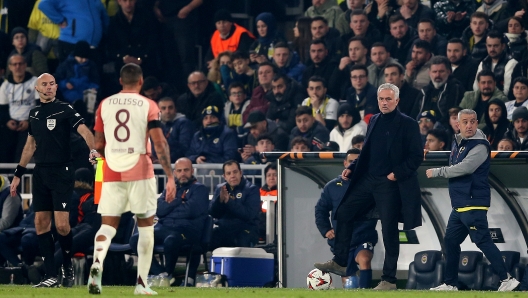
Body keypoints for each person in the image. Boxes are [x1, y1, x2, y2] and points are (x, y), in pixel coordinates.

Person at [314, 83, 423, 290]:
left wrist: (396, 174)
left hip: (389, 183)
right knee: (344, 211)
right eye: (381, 99)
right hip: (369, 179)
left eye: (388, 99)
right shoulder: (374, 120)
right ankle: (340, 260)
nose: (384, 102)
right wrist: (353, 167)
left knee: (389, 231)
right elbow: (367, 153)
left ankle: (389, 280)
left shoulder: (408, 124)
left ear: (397, 101)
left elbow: (416, 156)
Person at [88, 63, 176, 295]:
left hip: (112, 169)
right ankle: (141, 284)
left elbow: (98, 145)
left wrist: (104, 159)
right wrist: (169, 176)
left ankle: (97, 266)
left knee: (107, 225)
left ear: (120, 81)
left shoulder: (104, 105)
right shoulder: (148, 105)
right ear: (140, 81)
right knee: (146, 227)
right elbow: (159, 142)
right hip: (139, 168)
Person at [9, 72, 99, 288]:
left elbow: (84, 129)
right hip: (40, 173)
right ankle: (50, 275)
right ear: (37, 89)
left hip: (62, 172)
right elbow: (30, 145)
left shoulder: (65, 109)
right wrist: (18, 174)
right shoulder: (34, 114)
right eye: (44, 84)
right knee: (40, 224)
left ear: (56, 87)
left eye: (52, 84)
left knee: (62, 225)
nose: (49, 87)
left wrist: (93, 148)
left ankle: (66, 265)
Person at [427, 109, 521, 292]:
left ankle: (507, 279)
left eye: (472, 122)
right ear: (458, 124)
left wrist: (438, 172)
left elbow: (465, 168)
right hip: (460, 204)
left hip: (473, 202)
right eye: (465, 122)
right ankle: (450, 283)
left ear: (477, 123)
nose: (469, 125)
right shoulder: (458, 141)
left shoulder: (479, 145)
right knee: (451, 242)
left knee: (483, 240)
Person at [129, 158, 209, 287]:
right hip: (164, 227)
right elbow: (159, 210)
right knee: (136, 239)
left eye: (186, 170)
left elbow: (191, 211)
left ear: (192, 171)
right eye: (179, 170)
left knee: (171, 240)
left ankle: (168, 273)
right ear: (175, 173)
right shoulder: (169, 189)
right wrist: (180, 201)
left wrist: (171, 203)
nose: (183, 173)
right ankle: (162, 274)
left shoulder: (200, 189)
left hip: (186, 230)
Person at [315, 148, 378, 288]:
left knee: (364, 259)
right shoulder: (332, 186)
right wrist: (325, 229)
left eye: (357, 162)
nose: (352, 165)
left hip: (363, 236)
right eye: (350, 161)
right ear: (345, 163)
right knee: (349, 281)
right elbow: (321, 209)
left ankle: (365, 293)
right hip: (342, 241)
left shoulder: (371, 185)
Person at [209, 160, 261, 249]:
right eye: (228, 173)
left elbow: (249, 214)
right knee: (208, 238)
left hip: (246, 228)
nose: (232, 176)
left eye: (235, 172)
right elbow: (213, 213)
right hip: (224, 228)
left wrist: (229, 201)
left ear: (240, 173)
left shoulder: (252, 189)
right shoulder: (220, 188)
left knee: (241, 239)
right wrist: (220, 201)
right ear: (224, 176)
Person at [38, 0, 109, 61]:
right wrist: (60, 20)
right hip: (71, 44)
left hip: (94, 47)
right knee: (70, 75)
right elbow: (44, 5)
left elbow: (104, 18)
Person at [0, 54, 39, 163]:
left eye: (20, 64)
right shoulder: (5, 86)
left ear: (25, 65)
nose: (17, 67)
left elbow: (41, 107)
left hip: (30, 125)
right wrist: (7, 121)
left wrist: (29, 122)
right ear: (10, 67)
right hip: (11, 126)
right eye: (14, 64)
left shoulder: (35, 82)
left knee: (22, 151)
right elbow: (2, 109)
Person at [411, 56, 465, 127]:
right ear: (429, 73)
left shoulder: (455, 88)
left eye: (441, 71)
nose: (437, 75)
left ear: (449, 72)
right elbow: (413, 114)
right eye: (434, 72)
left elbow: (451, 115)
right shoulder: (425, 91)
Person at [472, 31, 518, 97]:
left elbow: (506, 91)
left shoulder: (511, 63)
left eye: (495, 46)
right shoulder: (483, 62)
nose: (492, 49)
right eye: (489, 46)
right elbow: (476, 87)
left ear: (503, 46)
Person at [156, 97, 193, 163]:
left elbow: (184, 147)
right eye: (163, 108)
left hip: (177, 164)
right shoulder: (155, 125)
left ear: (175, 109)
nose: (167, 111)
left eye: (170, 108)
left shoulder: (183, 123)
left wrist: (164, 159)